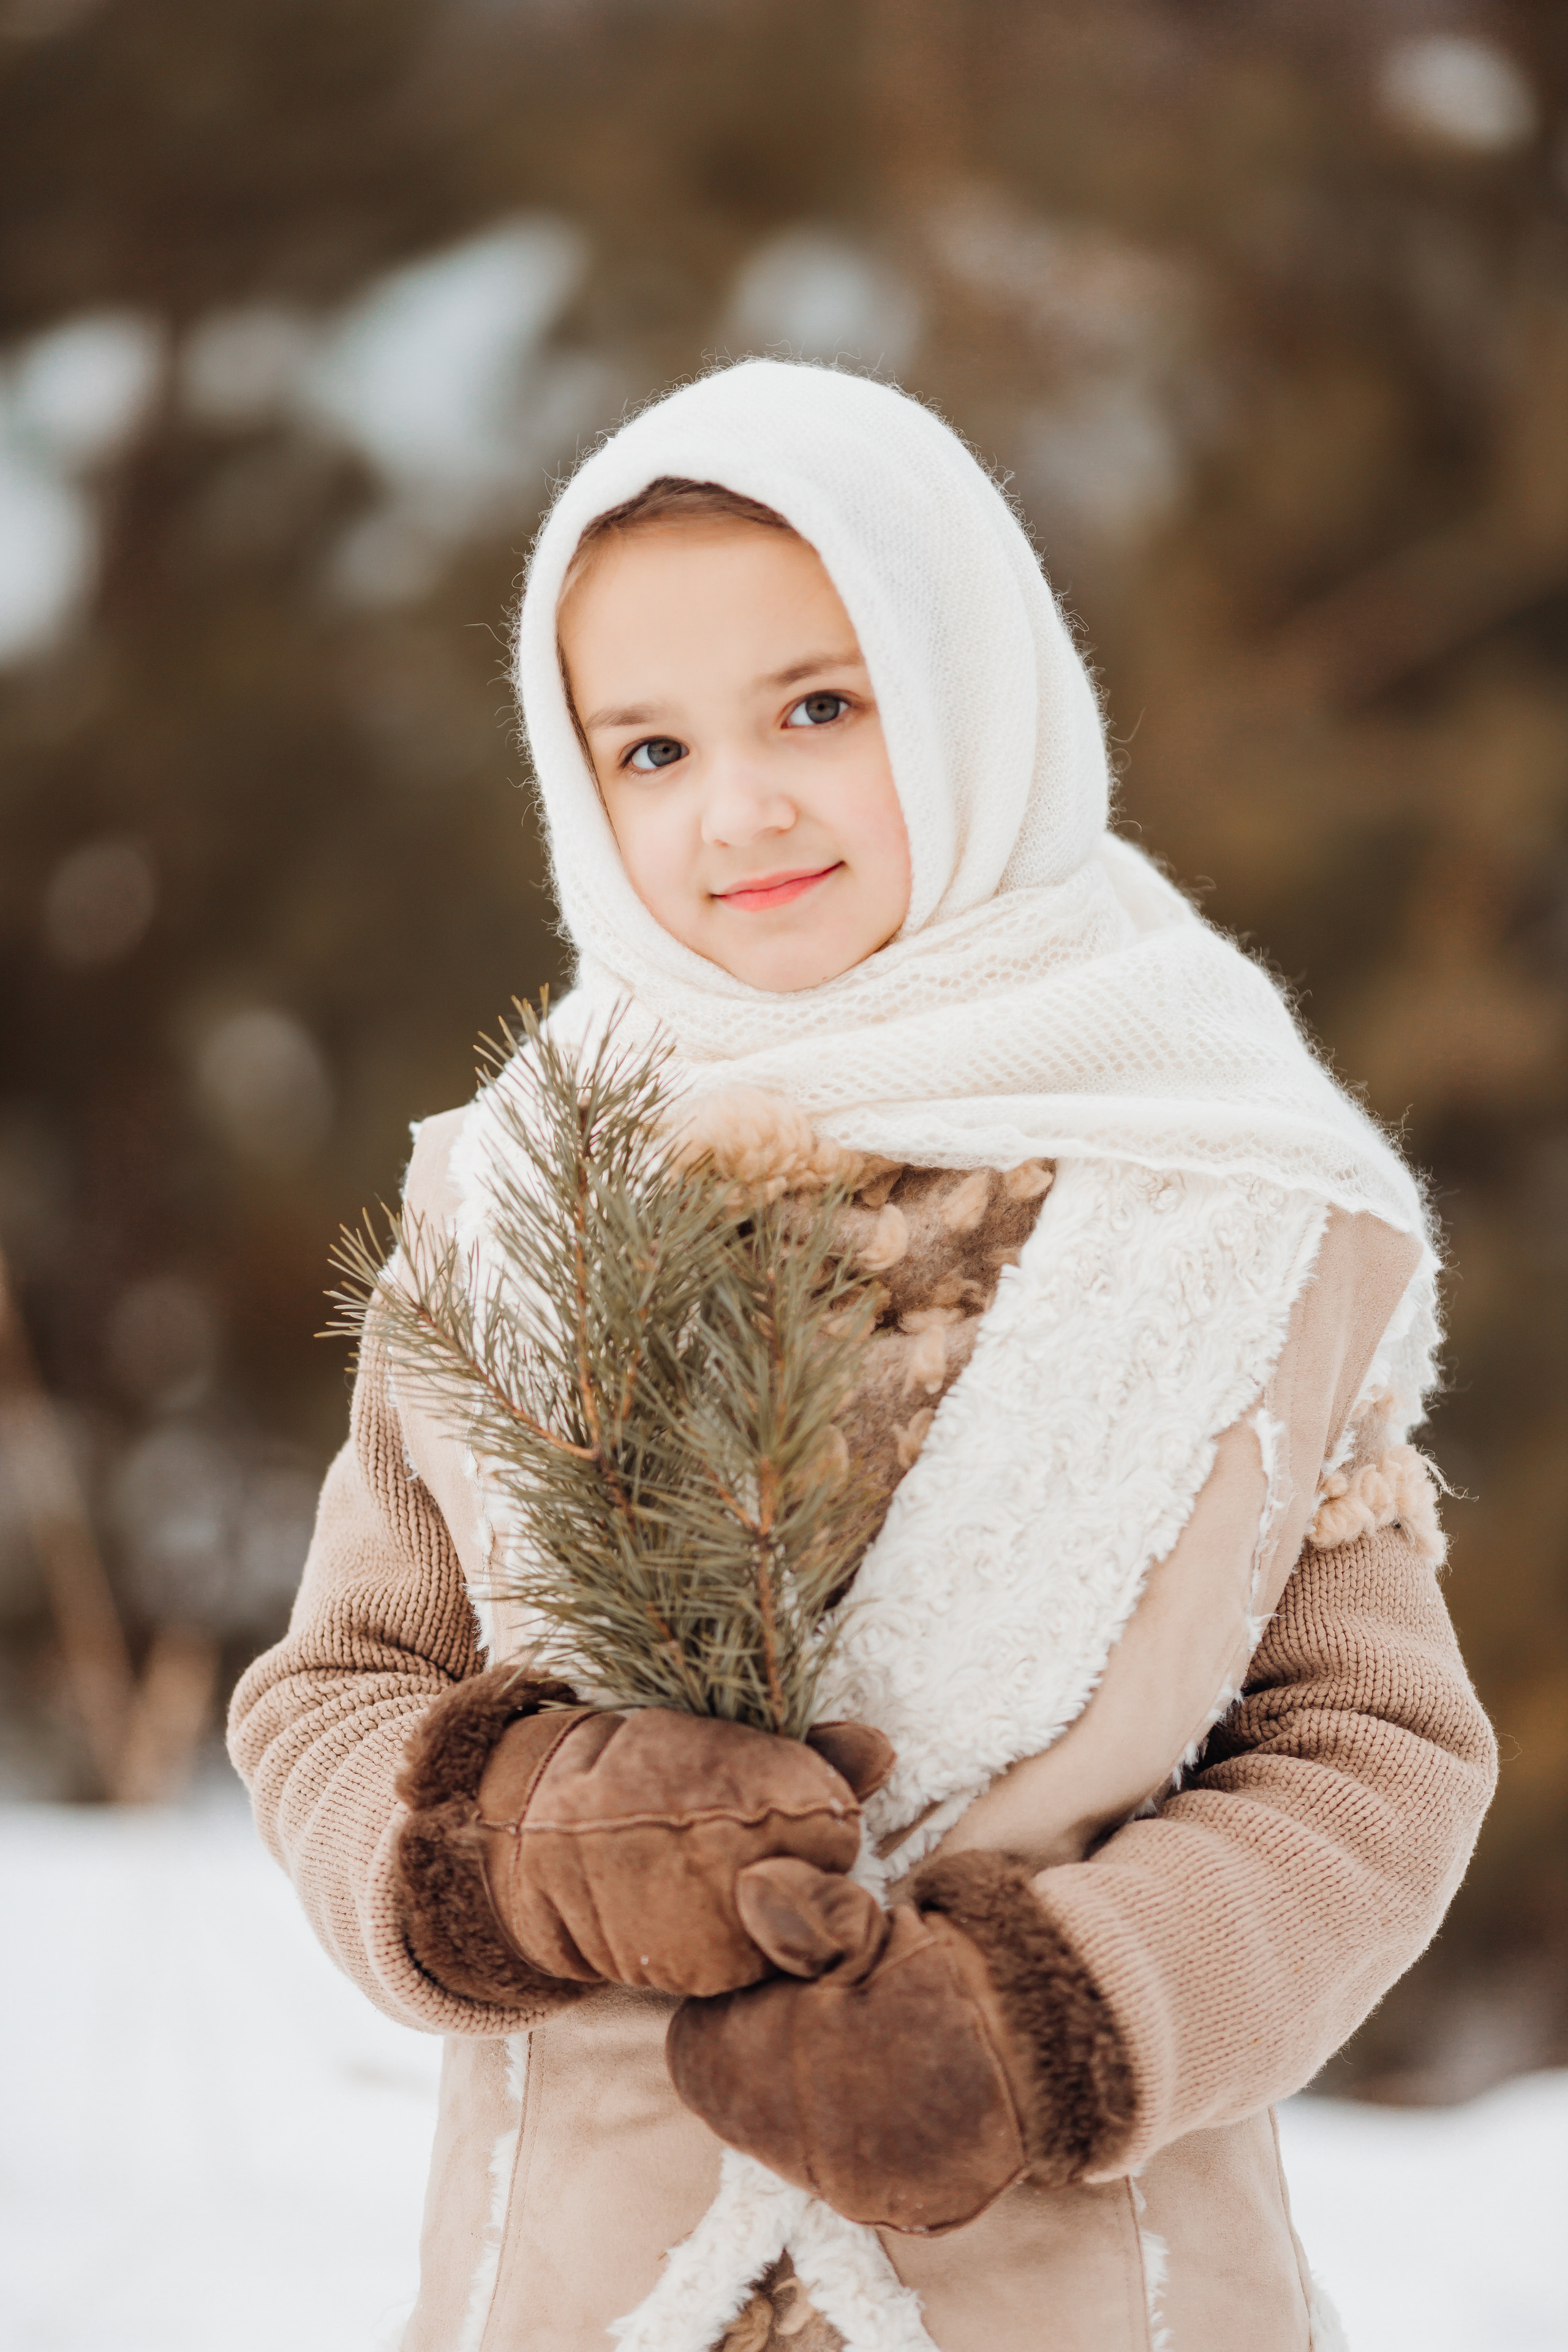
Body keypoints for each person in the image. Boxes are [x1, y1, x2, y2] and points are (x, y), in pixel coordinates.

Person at [228, 360, 1496, 2352]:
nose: (738, 810)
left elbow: (1368, 1764)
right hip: (580, 2291)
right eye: (645, 750)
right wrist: (524, 1846)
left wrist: (1057, 2014)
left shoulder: (1253, 1210)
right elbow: (335, 1692)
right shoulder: (508, 1203)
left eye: (822, 706)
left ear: (977, 688)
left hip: (1081, 2294)